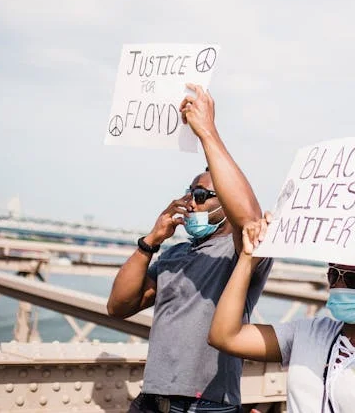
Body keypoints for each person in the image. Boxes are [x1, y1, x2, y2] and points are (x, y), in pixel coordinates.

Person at [107, 83, 273, 413]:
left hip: (206, 405)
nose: (191, 203)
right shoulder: (174, 255)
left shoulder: (239, 252)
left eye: (201, 195)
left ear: (224, 202)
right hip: (153, 401)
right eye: (189, 194)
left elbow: (249, 216)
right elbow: (119, 306)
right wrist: (150, 242)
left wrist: (207, 133)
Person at [208, 186, 355, 412]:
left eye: (353, 280)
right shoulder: (307, 333)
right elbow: (225, 336)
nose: (339, 285)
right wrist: (248, 258)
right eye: (334, 274)